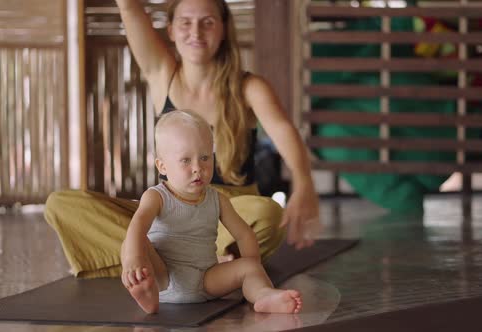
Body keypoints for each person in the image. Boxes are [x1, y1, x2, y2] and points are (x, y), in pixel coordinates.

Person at [44, 0, 320, 280]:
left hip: (228, 213)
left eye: (208, 22)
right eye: (185, 22)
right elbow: (129, 8)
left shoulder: (249, 87)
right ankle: (184, 263)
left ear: (224, 29)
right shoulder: (163, 75)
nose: (196, 32)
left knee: (268, 214)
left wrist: (304, 184)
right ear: (172, 30)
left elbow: (284, 131)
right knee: (62, 204)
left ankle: (153, 261)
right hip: (168, 214)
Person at [122, 109, 302, 314]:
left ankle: (263, 294)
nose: (198, 167)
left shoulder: (217, 199)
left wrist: (252, 266)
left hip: (207, 279)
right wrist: (133, 260)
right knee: (134, 241)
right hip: (164, 278)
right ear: (162, 166)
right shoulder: (156, 197)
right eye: (186, 160)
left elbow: (244, 234)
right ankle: (147, 291)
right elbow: (137, 226)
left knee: (250, 269)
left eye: (205, 157)